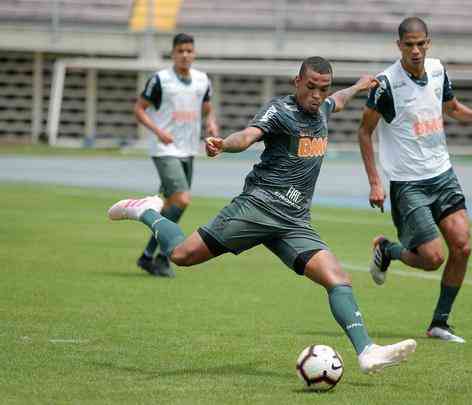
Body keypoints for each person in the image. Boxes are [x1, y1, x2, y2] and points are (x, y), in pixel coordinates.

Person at [108, 56, 417, 374]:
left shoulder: (323, 107)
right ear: (297, 82)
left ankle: (367, 351)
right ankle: (146, 211)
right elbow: (249, 135)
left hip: (294, 221)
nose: (317, 94)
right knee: (181, 255)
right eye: (310, 87)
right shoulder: (280, 111)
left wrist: (358, 86)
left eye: (323, 88)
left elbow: (336, 101)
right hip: (258, 207)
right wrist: (223, 144)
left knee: (338, 280)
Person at [358, 17, 472, 343]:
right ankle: (388, 250)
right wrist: (375, 182)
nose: (416, 50)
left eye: (421, 43)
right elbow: (364, 132)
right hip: (408, 184)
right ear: (399, 46)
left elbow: (450, 107)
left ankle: (440, 323)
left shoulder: (437, 70)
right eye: (409, 45)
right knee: (432, 259)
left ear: (428, 43)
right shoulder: (386, 84)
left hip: (442, 174)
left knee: (462, 246)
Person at [133, 33, 219, 277]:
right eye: (180, 51)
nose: (185, 55)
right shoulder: (160, 80)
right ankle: (163, 254)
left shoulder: (202, 80)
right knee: (181, 199)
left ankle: (150, 256)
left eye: (189, 51)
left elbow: (208, 110)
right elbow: (139, 109)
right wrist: (158, 132)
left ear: (194, 53)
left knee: (173, 205)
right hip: (165, 150)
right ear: (173, 53)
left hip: (189, 150)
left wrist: (211, 124)